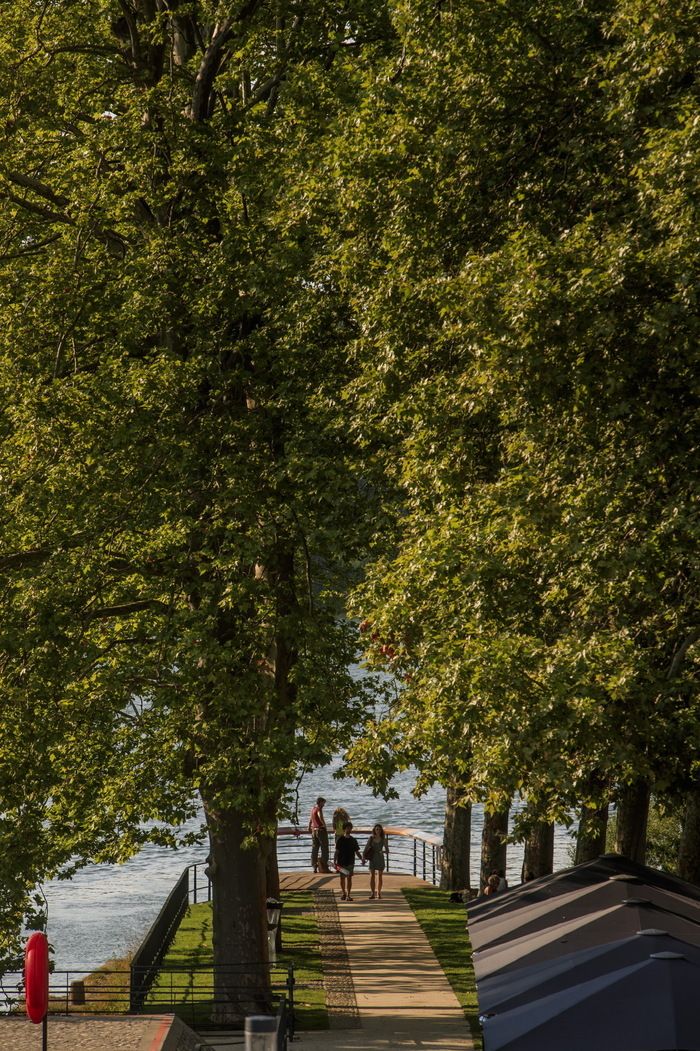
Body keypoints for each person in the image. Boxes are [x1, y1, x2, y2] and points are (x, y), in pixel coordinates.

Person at [334, 821, 365, 901]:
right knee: (342, 878)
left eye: (350, 828)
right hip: (341, 862)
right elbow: (336, 852)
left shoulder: (353, 840)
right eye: (347, 828)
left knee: (349, 878)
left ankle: (348, 895)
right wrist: (334, 862)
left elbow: (357, 852)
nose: (349, 829)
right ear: (344, 829)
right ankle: (343, 893)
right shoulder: (340, 839)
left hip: (350, 862)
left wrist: (362, 859)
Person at [363, 823, 389, 899]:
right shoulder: (371, 838)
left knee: (380, 876)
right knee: (372, 876)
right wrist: (363, 857)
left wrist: (383, 852)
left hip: (380, 858)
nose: (378, 830)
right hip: (372, 858)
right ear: (374, 830)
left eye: (379, 829)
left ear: (381, 830)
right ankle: (372, 893)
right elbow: (366, 848)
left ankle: (379, 892)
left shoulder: (383, 839)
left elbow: (387, 851)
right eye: (376, 829)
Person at [308, 796, 329, 873]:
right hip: (320, 830)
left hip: (314, 830)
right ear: (320, 802)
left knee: (315, 849)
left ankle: (314, 865)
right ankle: (324, 866)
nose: (324, 805)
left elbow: (311, 819)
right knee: (324, 848)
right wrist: (325, 826)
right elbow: (320, 817)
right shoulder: (319, 809)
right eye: (323, 803)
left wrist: (309, 826)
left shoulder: (313, 809)